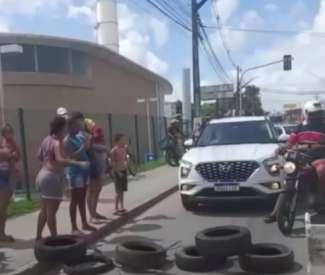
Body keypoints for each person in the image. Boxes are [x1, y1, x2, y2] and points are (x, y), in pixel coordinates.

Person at [264, 100, 325, 223]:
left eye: (319, 113)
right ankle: (275, 213)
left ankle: (321, 200)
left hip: (319, 158)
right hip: (300, 158)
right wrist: (281, 148)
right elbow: (290, 142)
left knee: (321, 170)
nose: (316, 116)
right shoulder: (300, 127)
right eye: (314, 113)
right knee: (288, 179)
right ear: (307, 113)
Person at [36, 116, 88, 240]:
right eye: (65, 127)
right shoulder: (57, 141)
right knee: (51, 211)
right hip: (52, 178)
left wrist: (49, 162)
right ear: (61, 128)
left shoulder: (46, 139)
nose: (66, 129)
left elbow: (39, 156)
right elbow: (60, 160)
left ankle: (38, 236)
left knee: (44, 209)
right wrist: (78, 163)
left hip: (42, 175)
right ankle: (55, 238)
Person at [64, 112, 96, 234]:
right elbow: (69, 156)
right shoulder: (67, 140)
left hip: (84, 172)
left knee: (82, 198)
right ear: (70, 126)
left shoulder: (78, 137)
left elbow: (85, 150)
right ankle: (74, 226)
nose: (79, 128)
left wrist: (88, 144)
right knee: (75, 199)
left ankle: (84, 223)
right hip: (74, 173)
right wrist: (83, 148)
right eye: (77, 126)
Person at [0, 124, 21, 242]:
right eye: (7, 132)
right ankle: (1, 234)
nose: (10, 135)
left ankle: (2, 233)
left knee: (4, 207)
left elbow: (18, 156)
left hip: (7, 176)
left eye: (11, 132)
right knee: (2, 207)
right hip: (1, 176)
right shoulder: (2, 142)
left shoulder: (12, 143)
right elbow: (6, 154)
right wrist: (9, 154)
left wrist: (12, 151)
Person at [87, 126, 108, 223]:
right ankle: (92, 215)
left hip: (100, 171)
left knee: (96, 192)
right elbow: (91, 147)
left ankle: (94, 213)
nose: (100, 138)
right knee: (91, 192)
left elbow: (105, 155)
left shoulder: (101, 145)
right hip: (93, 171)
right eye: (98, 136)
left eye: (101, 136)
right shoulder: (92, 145)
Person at [110, 134, 129, 216]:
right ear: (116, 141)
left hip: (123, 170)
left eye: (124, 140)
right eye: (121, 140)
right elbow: (112, 164)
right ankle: (115, 208)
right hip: (117, 172)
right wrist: (118, 172)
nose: (123, 142)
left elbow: (125, 158)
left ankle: (122, 206)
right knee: (118, 191)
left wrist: (127, 161)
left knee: (122, 190)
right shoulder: (113, 151)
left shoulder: (124, 149)